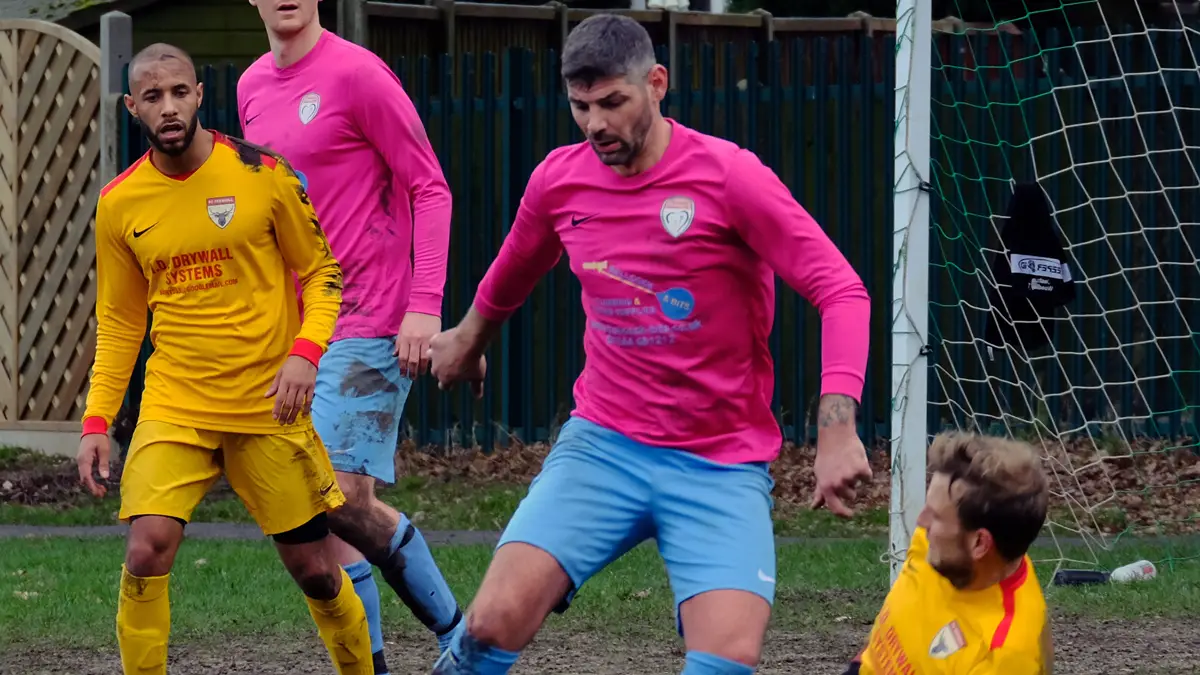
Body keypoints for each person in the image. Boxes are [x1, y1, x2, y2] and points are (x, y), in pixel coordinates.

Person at [426, 13, 874, 675]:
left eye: (613, 102)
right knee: (489, 623)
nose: (595, 123)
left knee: (727, 657)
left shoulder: (729, 177)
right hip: (604, 446)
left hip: (718, 461)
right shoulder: (559, 181)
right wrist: (467, 338)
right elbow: (514, 270)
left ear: (656, 83)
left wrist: (837, 426)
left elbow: (841, 288)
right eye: (580, 107)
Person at [75, 43, 373, 674]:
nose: (169, 107)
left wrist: (304, 353)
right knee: (146, 551)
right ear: (133, 108)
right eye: (152, 97)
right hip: (175, 403)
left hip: (268, 403)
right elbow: (123, 321)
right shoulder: (119, 203)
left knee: (317, 571)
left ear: (201, 95)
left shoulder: (263, 173)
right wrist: (97, 421)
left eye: (179, 92)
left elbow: (321, 273)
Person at [238, 2, 463, 671]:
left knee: (336, 493)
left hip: (372, 311)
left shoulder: (359, 75)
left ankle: (458, 637)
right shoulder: (251, 88)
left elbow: (431, 188)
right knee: (330, 505)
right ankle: (394, 655)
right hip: (300, 326)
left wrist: (424, 305)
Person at [844, 432, 1054, 675]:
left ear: (979, 544)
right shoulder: (937, 540)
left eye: (936, 516)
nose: (921, 521)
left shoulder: (1002, 656)